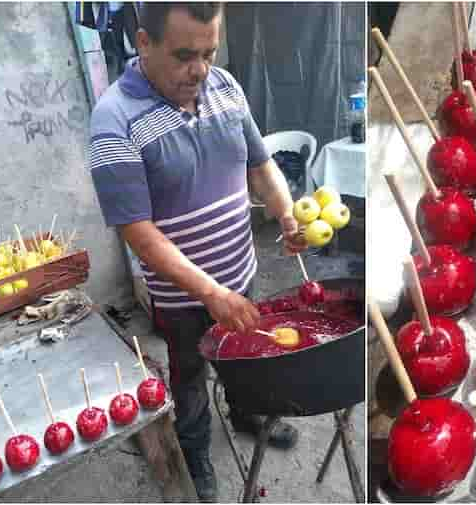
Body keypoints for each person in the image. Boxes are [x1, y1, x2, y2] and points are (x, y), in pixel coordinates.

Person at [88, 3, 306, 501]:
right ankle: (194, 452)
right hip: (182, 298)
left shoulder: (225, 86)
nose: (200, 70)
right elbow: (137, 232)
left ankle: (246, 413)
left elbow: (261, 164)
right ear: (143, 43)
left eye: (209, 52)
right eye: (185, 55)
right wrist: (209, 293)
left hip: (242, 272)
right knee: (189, 379)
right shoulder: (113, 121)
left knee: (247, 356)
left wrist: (286, 213)